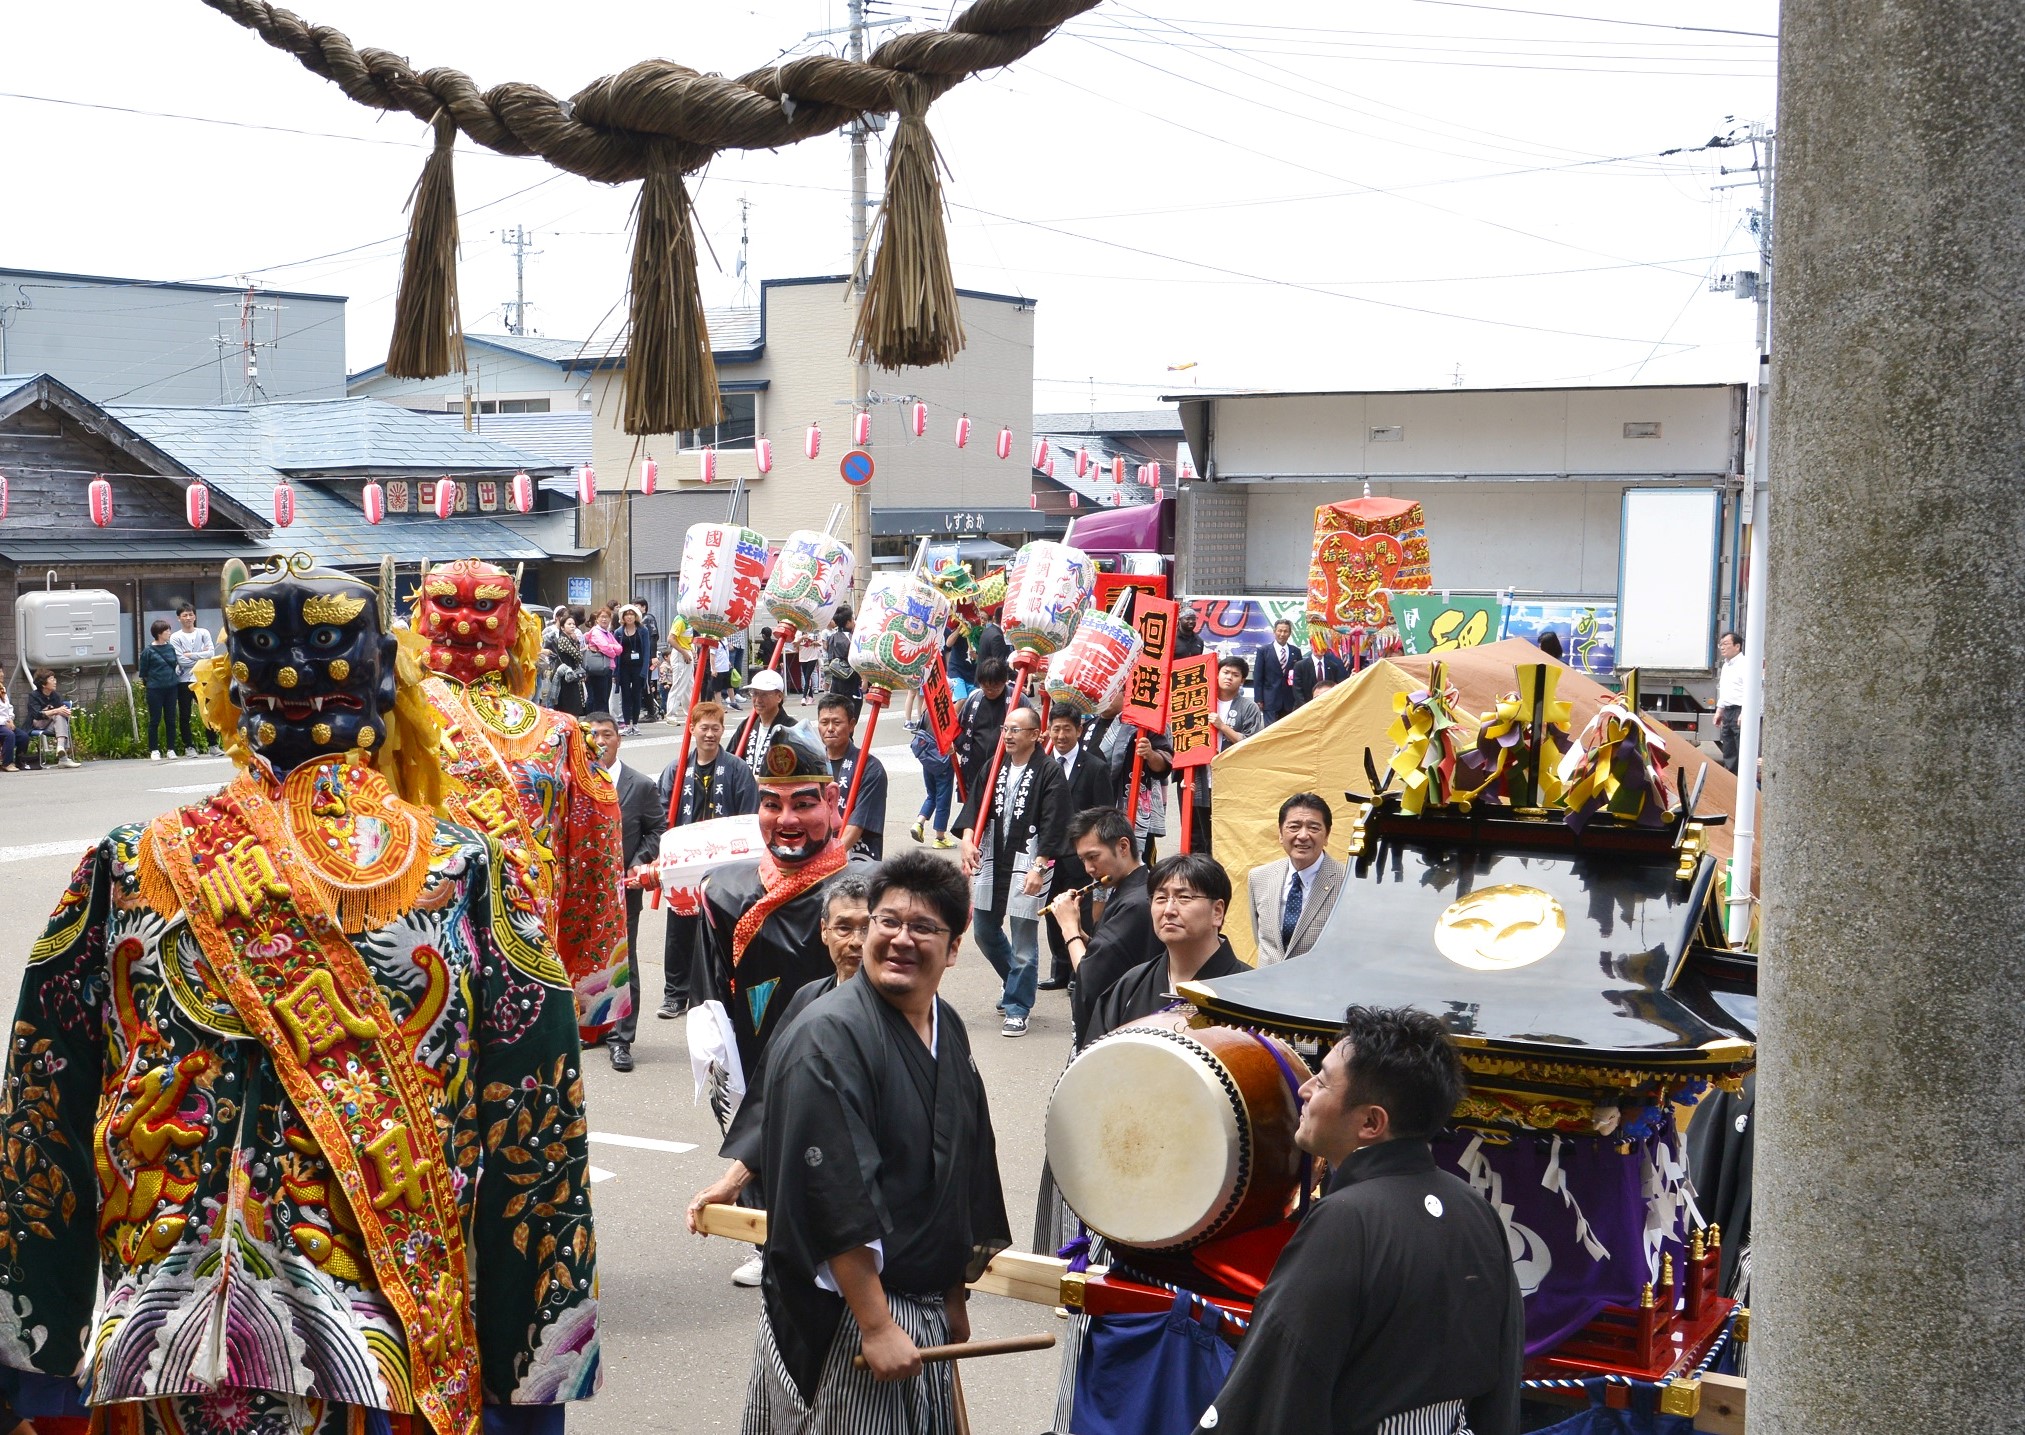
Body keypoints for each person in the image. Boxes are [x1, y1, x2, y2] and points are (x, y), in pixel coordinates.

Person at [0, 556, 602, 1434]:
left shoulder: (132, 866)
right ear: (391, 690)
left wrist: (37, 1360)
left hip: (158, 1360)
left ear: (224, 696)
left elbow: (37, 1121)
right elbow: (538, 1146)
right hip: (384, 1358)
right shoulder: (468, 874)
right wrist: (529, 1381)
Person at [739, 852, 1011, 1435]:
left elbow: (966, 1159)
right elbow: (833, 1189)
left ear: (955, 948)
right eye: (887, 922)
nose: (900, 939)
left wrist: (953, 1291)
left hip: (922, 1303)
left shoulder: (947, 1023)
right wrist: (877, 1323)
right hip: (851, 1313)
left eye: (924, 928)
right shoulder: (829, 1036)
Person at [1191, 1006, 1523, 1435]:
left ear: (1371, 1121)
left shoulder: (1346, 1220)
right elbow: (1506, 1364)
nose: (1306, 1089)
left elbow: (1284, 1365)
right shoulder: (1475, 1208)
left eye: (1323, 1080)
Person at [414, 559, 631, 1044]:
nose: (465, 620)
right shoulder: (387, 727)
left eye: (483, 606)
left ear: (513, 621)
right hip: (415, 950)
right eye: (449, 604)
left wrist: (595, 990)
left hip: (530, 950)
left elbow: (594, 865)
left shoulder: (559, 733)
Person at [684, 873, 872, 1286]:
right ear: (824, 932)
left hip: (878, 1215)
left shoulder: (913, 1014)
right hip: (808, 1194)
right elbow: (771, 1095)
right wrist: (731, 1183)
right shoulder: (809, 1000)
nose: (856, 942)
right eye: (844, 928)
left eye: (868, 927)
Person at [691, 724, 877, 1088]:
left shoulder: (879, 889)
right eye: (772, 804)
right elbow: (710, 999)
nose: (786, 820)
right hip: (760, 1074)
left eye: (804, 804)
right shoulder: (724, 892)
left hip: (850, 1070)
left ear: (832, 801)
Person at [953, 706, 1067, 1038]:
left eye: (1016, 730)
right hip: (993, 857)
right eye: (1006, 729)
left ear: (1035, 735)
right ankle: (1014, 980)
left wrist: (1040, 866)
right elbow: (974, 805)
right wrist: (966, 838)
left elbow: (1054, 821)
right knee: (984, 931)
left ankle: (1018, 1007)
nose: (1009, 735)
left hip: (1029, 861)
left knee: (1024, 942)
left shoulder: (1048, 771)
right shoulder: (994, 767)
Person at [657, 699, 761, 1020]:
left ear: (722, 730)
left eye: (716, 728)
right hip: (686, 864)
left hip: (724, 864)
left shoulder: (736, 769)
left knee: (723, 930)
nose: (710, 734)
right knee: (680, 930)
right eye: (704, 727)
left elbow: (749, 815)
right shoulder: (677, 769)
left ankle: (719, 996)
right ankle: (675, 994)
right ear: (692, 730)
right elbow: (663, 813)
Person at [1089, 852, 1246, 1042]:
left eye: (1184, 897)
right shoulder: (1130, 987)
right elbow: (1095, 1063)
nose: (1169, 910)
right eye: (1161, 898)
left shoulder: (1249, 992)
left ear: (1217, 911)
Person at [587, 712, 667, 1073]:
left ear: (619, 739)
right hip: (585, 889)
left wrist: (637, 863)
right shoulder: (577, 781)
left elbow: (656, 829)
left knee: (623, 959)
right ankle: (596, 1027)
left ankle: (622, 1038)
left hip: (623, 889)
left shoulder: (639, 785)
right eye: (594, 735)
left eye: (607, 734)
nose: (601, 741)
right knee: (589, 959)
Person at [1046, 806, 1158, 1048]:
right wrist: (1082, 932)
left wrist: (1069, 929)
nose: (1088, 869)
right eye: (1083, 860)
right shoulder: (1130, 889)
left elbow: (1089, 976)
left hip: (1122, 1030)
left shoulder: (1136, 902)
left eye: (1093, 857)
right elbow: (1110, 953)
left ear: (1123, 846)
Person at [1040, 710, 1115, 989]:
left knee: (1080, 914)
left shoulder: (1095, 766)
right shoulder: (1045, 764)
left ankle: (1078, 972)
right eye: (1056, 729)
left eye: (1067, 729)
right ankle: (1059, 970)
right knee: (1051, 913)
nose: (1061, 735)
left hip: (1080, 857)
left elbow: (1104, 813)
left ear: (1079, 730)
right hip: (1049, 856)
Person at [1249, 792, 1346, 965]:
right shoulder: (1259, 878)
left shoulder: (1346, 882)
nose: (1303, 835)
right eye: (1294, 827)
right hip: (1268, 985)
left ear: (1327, 835)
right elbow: (1262, 941)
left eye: (1313, 828)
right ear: (1280, 833)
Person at [1190, 655, 1265, 853]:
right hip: (1200, 778)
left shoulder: (1248, 708)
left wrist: (1222, 726)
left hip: (1232, 781)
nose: (1229, 677)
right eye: (1225, 672)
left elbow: (1251, 743)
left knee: (1228, 835)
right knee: (1201, 836)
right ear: (1216, 674)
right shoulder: (1201, 702)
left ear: (1242, 680)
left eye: (1235, 674)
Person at [1089, 690, 1172, 861]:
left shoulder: (1144, 725)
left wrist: (1149, 753)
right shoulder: (1088, 726)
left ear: (1126, 694)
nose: (1106, 698)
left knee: (1138, 862)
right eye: (1103, 694)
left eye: (1112, 694)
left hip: (1133, 807)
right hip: (1095, 808)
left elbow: (1164, 765)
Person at [816, 693, 888, 860]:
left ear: (851, 725)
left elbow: (857, 826)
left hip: (853, 858)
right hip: (817, 853)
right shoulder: (811, 764)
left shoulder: (870, 768)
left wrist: (827, 862)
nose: (830, 728)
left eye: (837, 722)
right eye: (824, 722)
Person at [953, 657, 1026, 800]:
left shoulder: (1018, 699)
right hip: (975, 767)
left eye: (995, 688)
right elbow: (960, 727)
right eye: (985, 687)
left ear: (1004, 681)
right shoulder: (974, 699)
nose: (990, 691)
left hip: (1007, 766)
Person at [168, 601, 220, 755]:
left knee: (208, 712)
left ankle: (213, 745)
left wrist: (190, 655)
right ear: (179, 618)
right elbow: (180, 660)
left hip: (203, 678)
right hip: (184, 680)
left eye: (191, 614)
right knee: (185, 714)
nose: (188, 617)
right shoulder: (175, 637)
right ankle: (188, 746)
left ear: (195, 616)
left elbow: (210, 654)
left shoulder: (203, 632)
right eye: (185, 615)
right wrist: (200, 655)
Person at [730, 667, 798, 770]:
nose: (758, 700)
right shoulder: (748, 725)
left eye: (764, 694)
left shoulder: (791, 728)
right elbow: (730, 758)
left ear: (779, 697)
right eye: (755, 693)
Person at [908, 719, 957, 849]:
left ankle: (919, 823)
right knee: (943, 798)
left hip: (927, 758)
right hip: (942, 760)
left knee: (932, 794)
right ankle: (940, 837)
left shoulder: (928, 708)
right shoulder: (946, 710)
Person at [138, 617, 182, 760]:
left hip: (171, 687)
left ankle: (171, 749)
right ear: (159, 633)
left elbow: (175, 663)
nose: (169, 633)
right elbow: (143, 672)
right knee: (155, 719)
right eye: (166, 631)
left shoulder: (170, 648)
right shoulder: (148, 651)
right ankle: (154, 749)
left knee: (171, 719)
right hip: (154, 689)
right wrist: (150, 683)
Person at [26, 670, 80, 768]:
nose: (55, 681)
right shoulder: (33, 696)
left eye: (54, 679)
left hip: (51, 725)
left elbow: (62, 711)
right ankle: (63, 758)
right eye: (52, 679)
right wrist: (55, 711)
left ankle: (60, 749)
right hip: (37, 724)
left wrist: (66, 712)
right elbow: (37, 715)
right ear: (43, 684)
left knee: (60, 717)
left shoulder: (55, 695)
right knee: (58, 715)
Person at [1253, 617, 1302, 724]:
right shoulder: (1263, 651)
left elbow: (1299, 677)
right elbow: (1258, 677)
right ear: (1274, 631)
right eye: (1280, 631)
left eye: (1285, 631)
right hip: (1270, 700)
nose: (1282, 634)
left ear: (1290, 633)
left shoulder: (1296, 651)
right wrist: (1258, 699)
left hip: (1290, 700)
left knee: (1287, 730)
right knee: (1270, 732)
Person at [615, 604, 652, 732]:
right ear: (623, 617)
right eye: (626, 614)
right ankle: (626, 724)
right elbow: (616, 653)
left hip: (638, 667)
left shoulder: (643, 630)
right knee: (625, 696)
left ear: (636, 616)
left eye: (631, 614)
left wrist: (644, 670)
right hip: (624, 668)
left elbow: (647, 651)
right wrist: (615, 672)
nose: (629, 617)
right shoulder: (618, 632)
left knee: (636, 695)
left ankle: (635, 724)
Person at [545, 608, 590, 714]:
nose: (572, 626)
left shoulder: (571, 639)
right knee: (568, 706)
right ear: (562, 627)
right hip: (566, 677)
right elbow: (578, 655)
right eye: (569, 624)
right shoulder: (563, 639)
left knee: (575, 706)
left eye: (573, 624)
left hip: (572, 676)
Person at [1714, 628, 1746, 771]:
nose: (1722, 647)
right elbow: (1724, 689)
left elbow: (1750, 690)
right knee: (1728, 748)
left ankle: (1743, 783)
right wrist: (1719, 710)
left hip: (1739, 711)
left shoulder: (1745, 664)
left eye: (1726, 643)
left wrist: (1745, 712)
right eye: (1721, 644)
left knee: (1742, 748)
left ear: (1737, 646)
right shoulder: (1726, 665)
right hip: (1728, 711)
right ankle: (1731, 781)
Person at [583, 605, 621, 713]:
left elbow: (619, 648)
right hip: (597, 669)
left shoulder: (608, 633)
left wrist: (611, 648)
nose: (604, 619)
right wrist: (612, 649)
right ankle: (594, 722)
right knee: (598, 699)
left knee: (604, 698)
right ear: (597, 619)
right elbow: (606, 648)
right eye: (602, 617)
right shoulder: (596, 632)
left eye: (607, 617)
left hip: (606, 668)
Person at [1294, 641, 1350, 709]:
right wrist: (1306, 707)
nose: (1319, 647)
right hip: (1306, 707)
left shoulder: (1332, 665)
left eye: (1322, 644)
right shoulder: (1300, 665)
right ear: (1311, 645)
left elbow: (1336, 686)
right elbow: (1297, 690)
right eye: (1317, 644)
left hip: (1326, 707)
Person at [943, 625, 976, 700]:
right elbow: (948, 644)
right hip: (956, 670)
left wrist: (976, 656)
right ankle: (951, 712)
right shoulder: (959, 628)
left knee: (971, 700)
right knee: (961, 699)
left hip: (972, 673)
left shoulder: (980, 630)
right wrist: (960, 627)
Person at [0, 687, 16, 772]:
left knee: (23, 737)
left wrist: (11, 720)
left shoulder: (2, 689)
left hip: (6, 723)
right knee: (9, 735)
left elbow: (9, 708)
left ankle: (19, 761)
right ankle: (7, 763)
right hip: (1, 724)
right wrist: (4, 722)